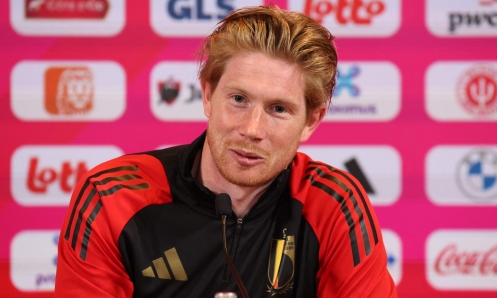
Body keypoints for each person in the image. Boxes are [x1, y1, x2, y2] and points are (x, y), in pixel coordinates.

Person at [55, 5, 397, 298]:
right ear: (207, 95)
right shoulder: (112, 197)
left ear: (311, 121)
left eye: (279, 109)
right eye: (238, 99)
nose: (252, 129)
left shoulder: (333, 205)